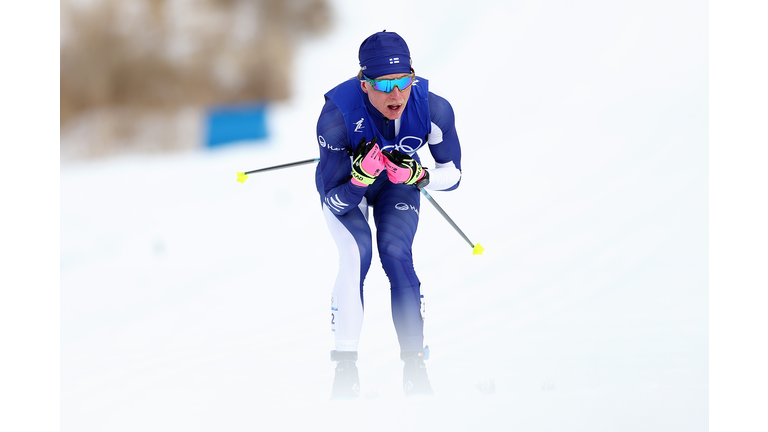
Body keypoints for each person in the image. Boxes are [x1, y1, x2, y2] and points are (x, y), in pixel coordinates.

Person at [314, 30, 462, 400]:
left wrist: (419, 175)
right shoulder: (336, 117)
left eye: (403, 81)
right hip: (348, 187)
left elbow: (454, 175)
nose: (396, 94)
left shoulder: (433, 108)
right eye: (384, 84)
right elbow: (334, 202)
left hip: (397, 183)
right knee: (355, 254)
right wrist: (359, 179)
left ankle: (416, 371)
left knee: (396, 254)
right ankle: (345, 374)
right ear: (364, 84)